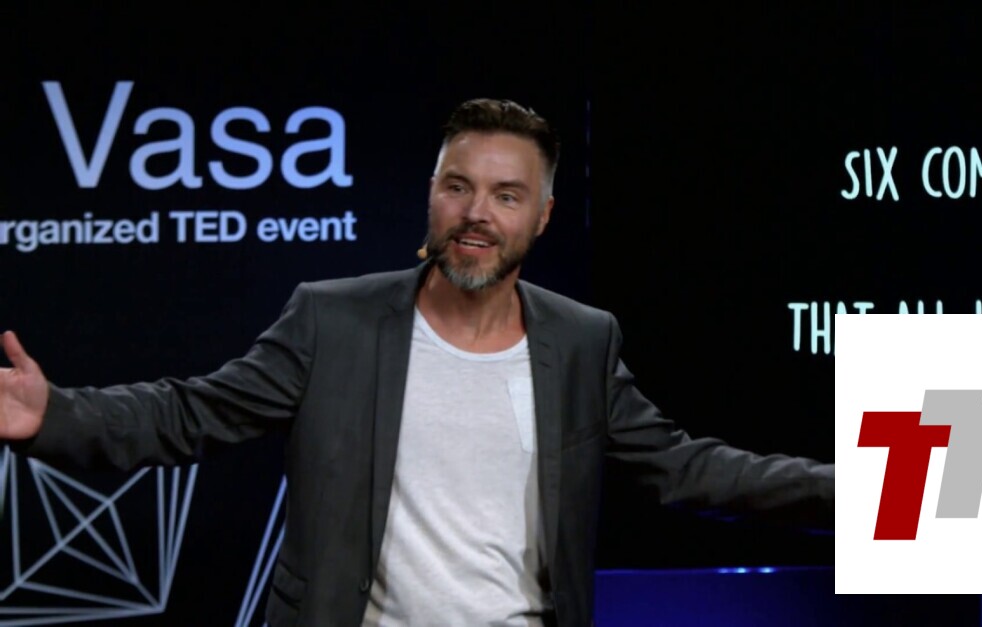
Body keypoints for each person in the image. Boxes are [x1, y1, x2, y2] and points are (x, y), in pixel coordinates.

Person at [0, 98, 834, 627]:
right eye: (457, 186)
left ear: (542, 216)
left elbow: (689, 468)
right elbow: (188, 414)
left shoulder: (583, 341)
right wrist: (53, 414)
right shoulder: (332, 320)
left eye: (506, 195)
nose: (477, 213)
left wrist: (864, 489)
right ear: (431, 193)